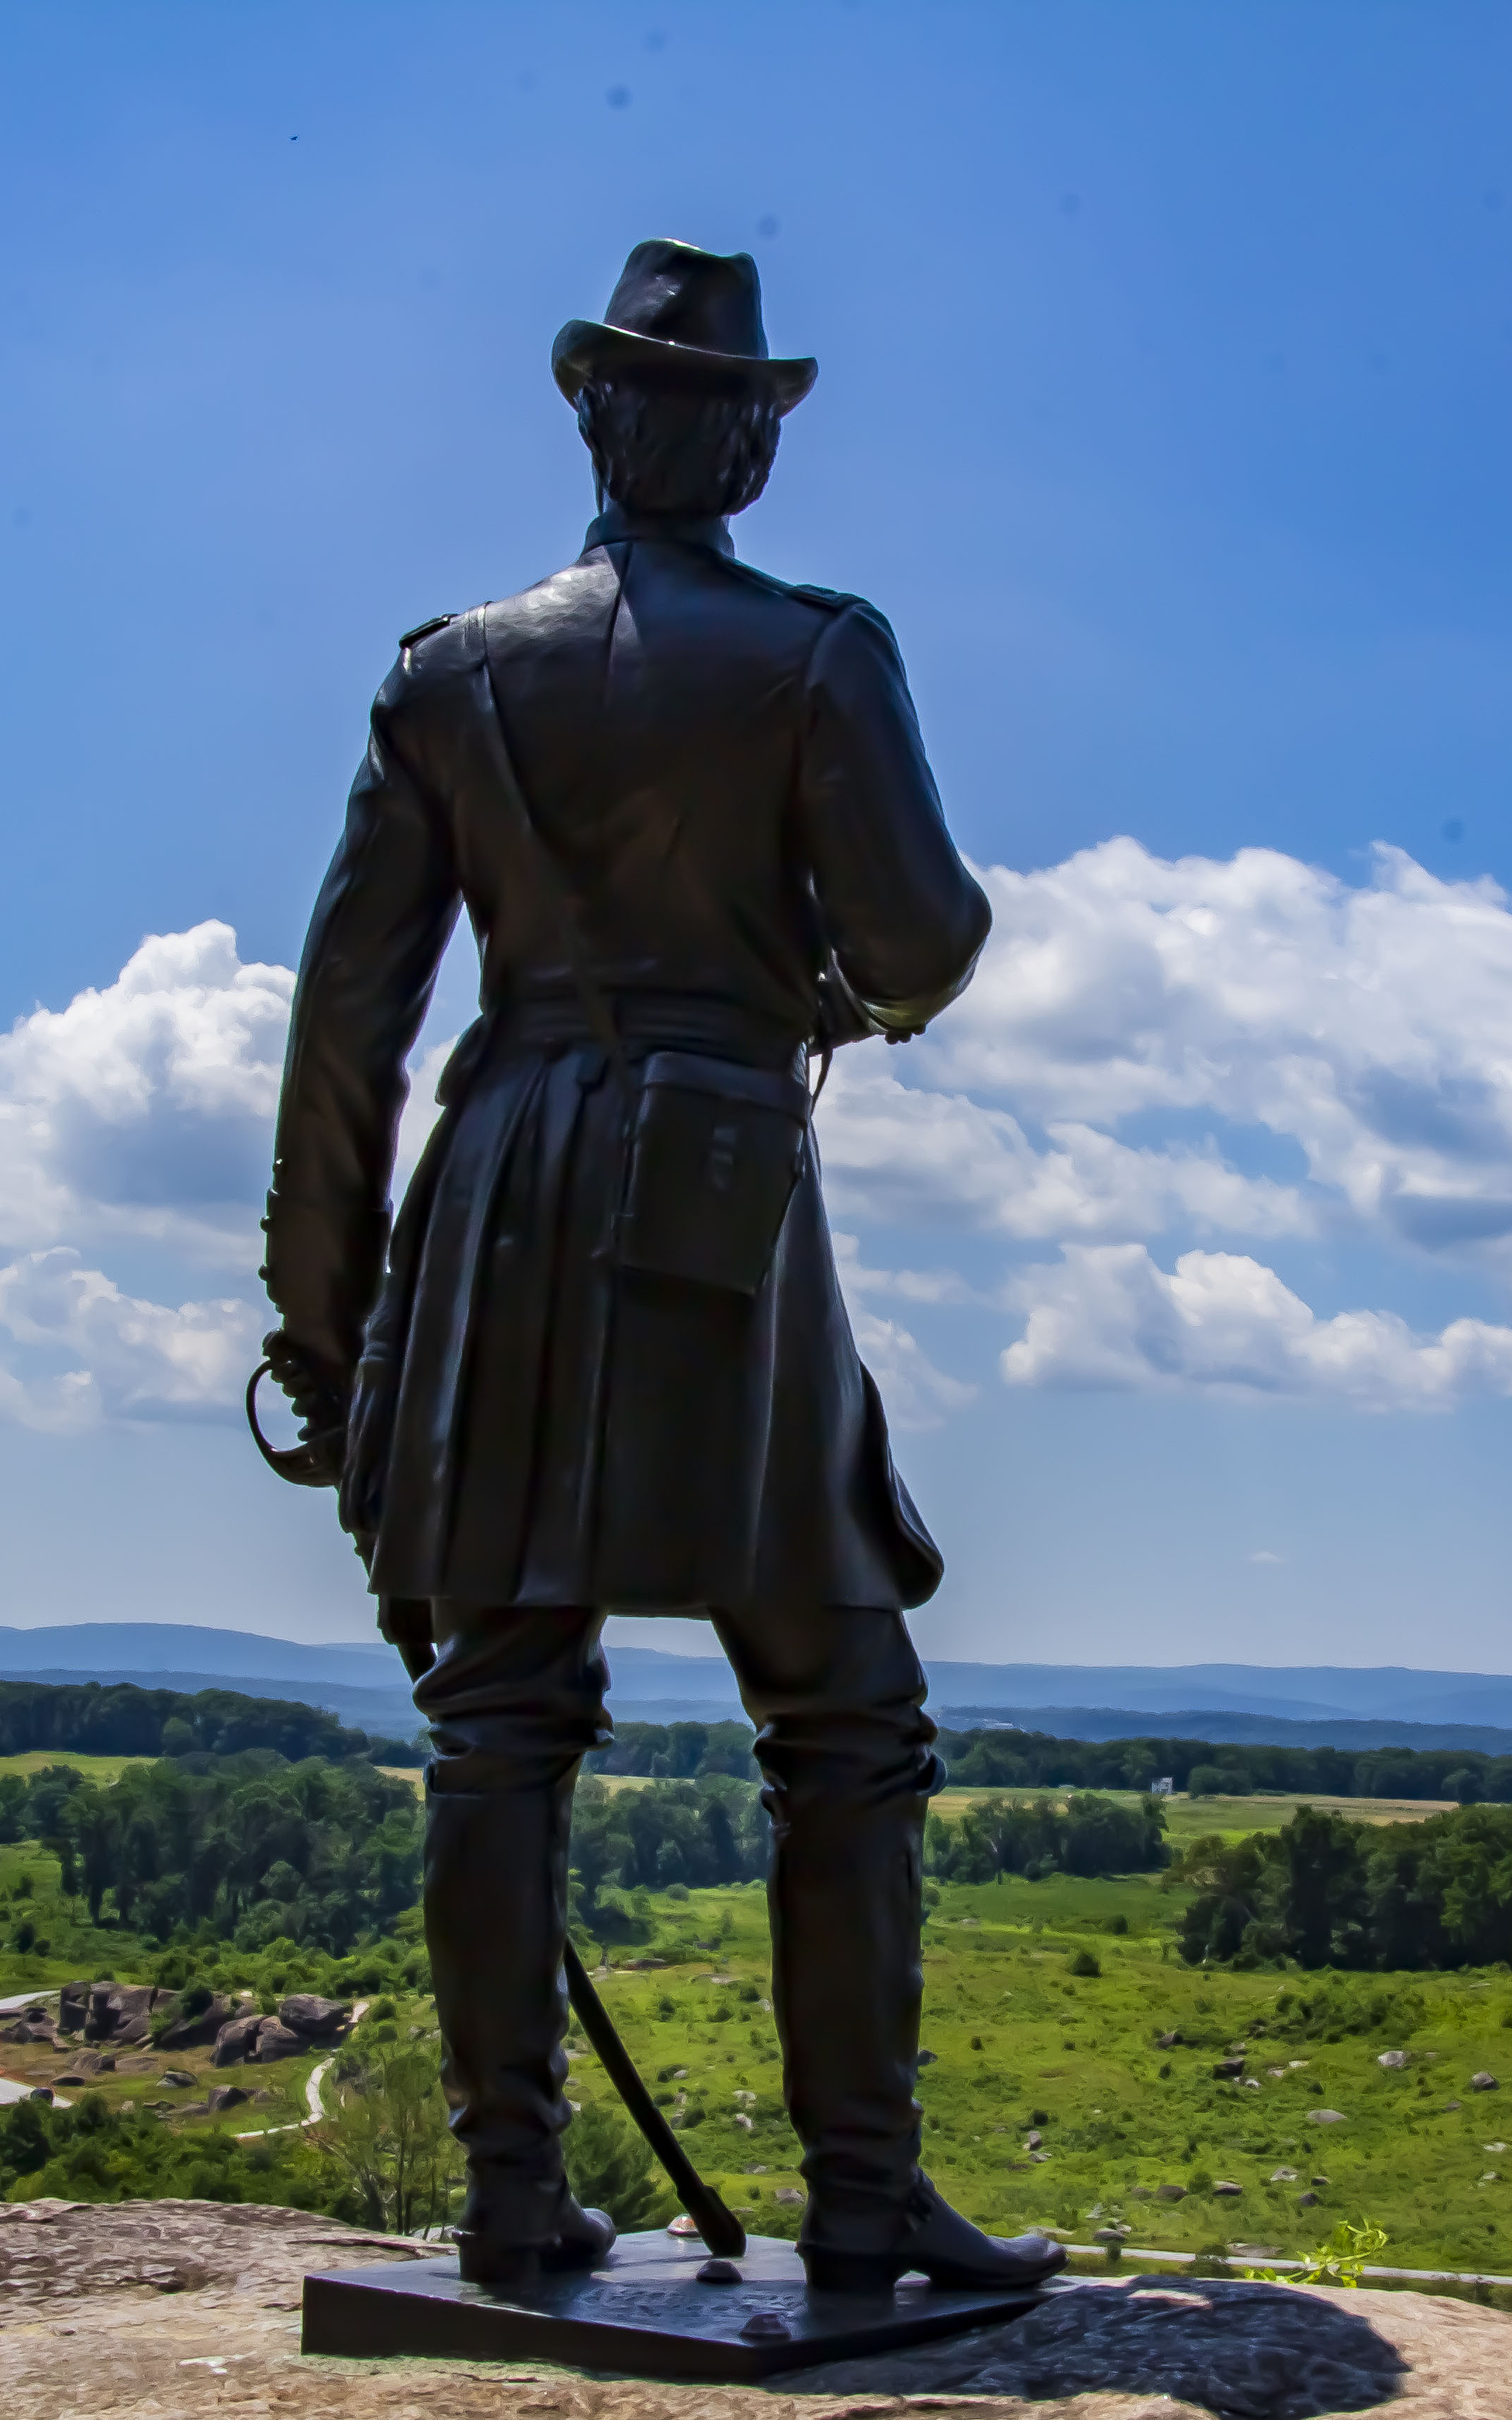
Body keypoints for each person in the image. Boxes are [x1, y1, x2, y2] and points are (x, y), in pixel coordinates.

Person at [257, 239, 1061, 2296]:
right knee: (843, 1699)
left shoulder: (454, 674)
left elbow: (347, 1024)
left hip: (505, 1169)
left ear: (595, 422)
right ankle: (864, 2200)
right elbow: (922, 946)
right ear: (749, 447)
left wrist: (328, 1332)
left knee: (502, 1703)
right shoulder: (817, 656)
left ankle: (514, 2204)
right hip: (713, 1175)